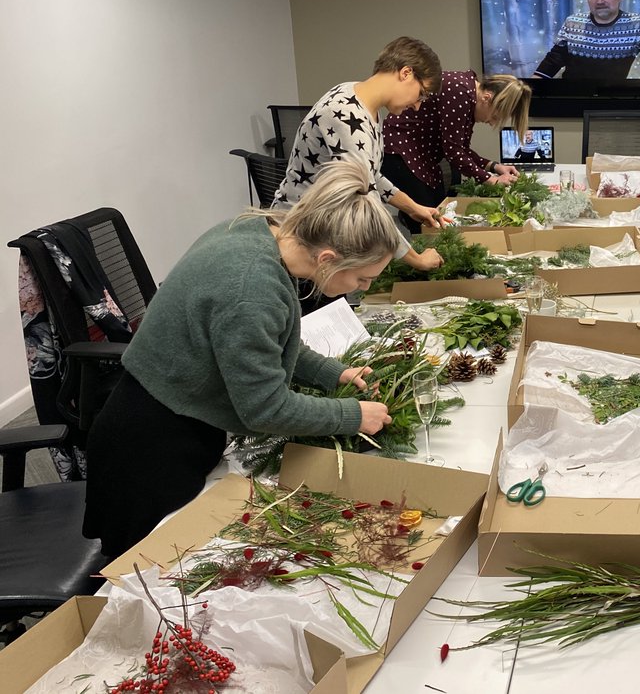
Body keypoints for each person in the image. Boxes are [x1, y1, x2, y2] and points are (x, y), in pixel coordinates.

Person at [83, 160, 403, 557]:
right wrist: (352, 416)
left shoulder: (258, 232)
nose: (361, 287)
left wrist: (332, 373)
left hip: (164, 419)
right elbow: (265, 408)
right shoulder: (252, 286)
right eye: (361, 279)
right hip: (151, 449)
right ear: (327, 258)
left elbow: (273, 340)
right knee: (143, 571)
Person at [272, 35, 445, 271]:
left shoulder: (364, 105)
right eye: (422, 94)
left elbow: (369, 175)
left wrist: (413, 207)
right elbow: (368, 202)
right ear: (406, 73)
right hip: (301, 240)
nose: (417, 105)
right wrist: (417, 259)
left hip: (320, 233)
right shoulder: (345, 114)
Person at [381, 70, 532, 232]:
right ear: (487, 98)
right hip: (400, 155)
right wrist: (491, 180)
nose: (490, 122)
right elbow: (454, 152)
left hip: (420, 158)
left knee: (439, 217)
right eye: (494, 116)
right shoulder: (459, 92)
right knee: (428, 225)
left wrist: (494, 166)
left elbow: (461, 149)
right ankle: (415, 255)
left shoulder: (467, 94)